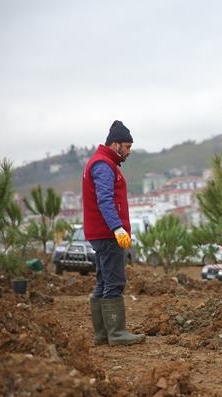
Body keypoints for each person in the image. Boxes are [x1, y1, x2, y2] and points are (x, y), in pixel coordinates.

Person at [83, 120, 145, 346]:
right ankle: (117, 333)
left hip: (101, 233)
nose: (129, 151)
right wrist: (117, 228)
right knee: (114, 282)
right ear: (115, 144)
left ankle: (102, 334)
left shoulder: (102, 163)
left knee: (103, 280)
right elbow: (105, 200)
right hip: (107, 234)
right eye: (127, 146)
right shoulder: (103, 165)